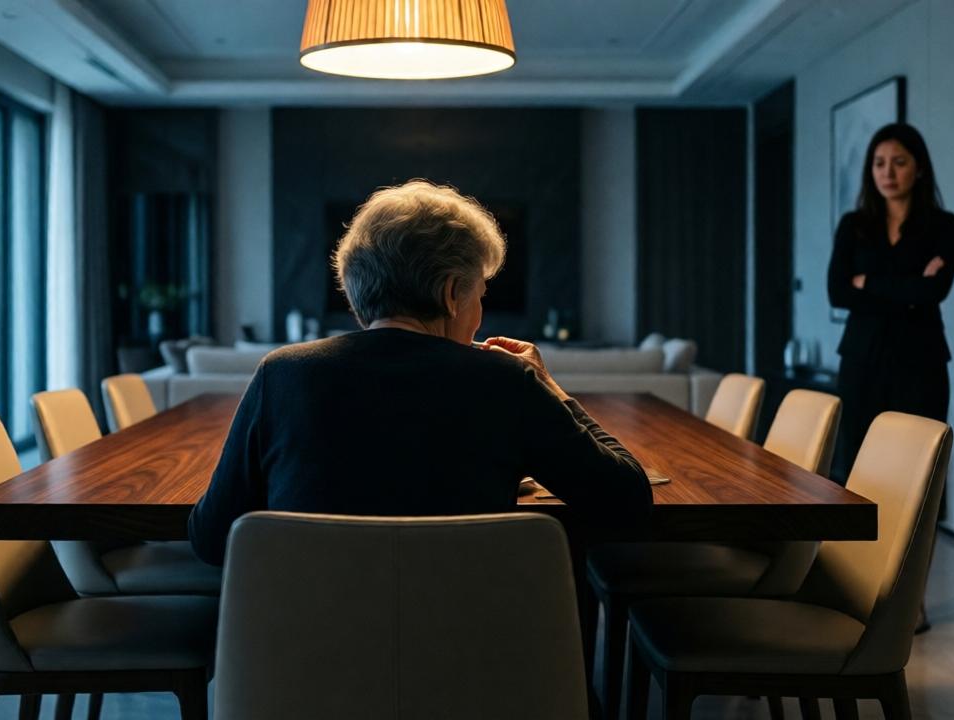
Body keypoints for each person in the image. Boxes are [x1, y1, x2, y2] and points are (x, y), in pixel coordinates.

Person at [189, 180, 652, 565]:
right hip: (473, 657)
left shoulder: (282, 374)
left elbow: (210, 539)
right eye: (480, 294)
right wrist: (549, 386)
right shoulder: (506, 380)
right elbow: (627, 502)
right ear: (452, 293)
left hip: (309, 660)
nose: (479, 314)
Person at [828, 123, 954, 476]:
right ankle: (860, 536)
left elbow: (935, 291)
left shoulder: (943, 226)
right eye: (879, 163)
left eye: (899, 162)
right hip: (862, 360)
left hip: (921, 362)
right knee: (859, 468)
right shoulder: (853, 225)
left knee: (916, 472)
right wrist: (910, 289)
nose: (888, 172)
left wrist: (867, 282)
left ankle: (912, 536)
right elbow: (837, 292)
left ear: (919, 168)